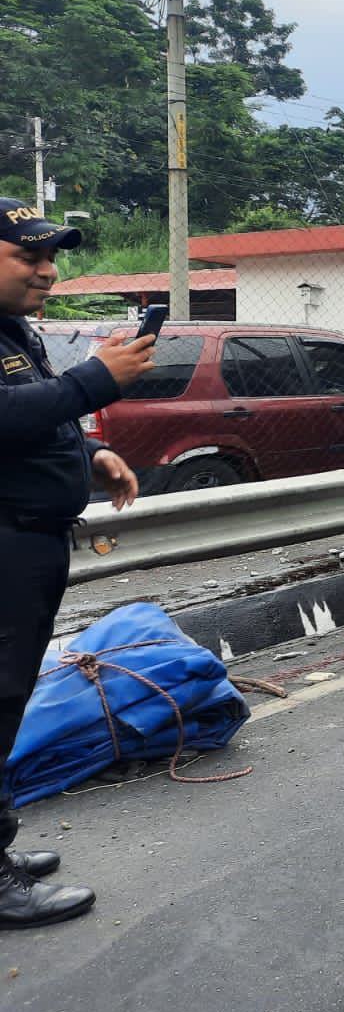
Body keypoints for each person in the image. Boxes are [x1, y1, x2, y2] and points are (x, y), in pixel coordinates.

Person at [0, 199, 154, 930]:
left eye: (50, 254)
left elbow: (33, 413)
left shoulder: (12, 329)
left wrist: (91, 453)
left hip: (27, 542)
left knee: (6, 701)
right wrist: (95, 380)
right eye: (28, 255)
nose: (49, 269)